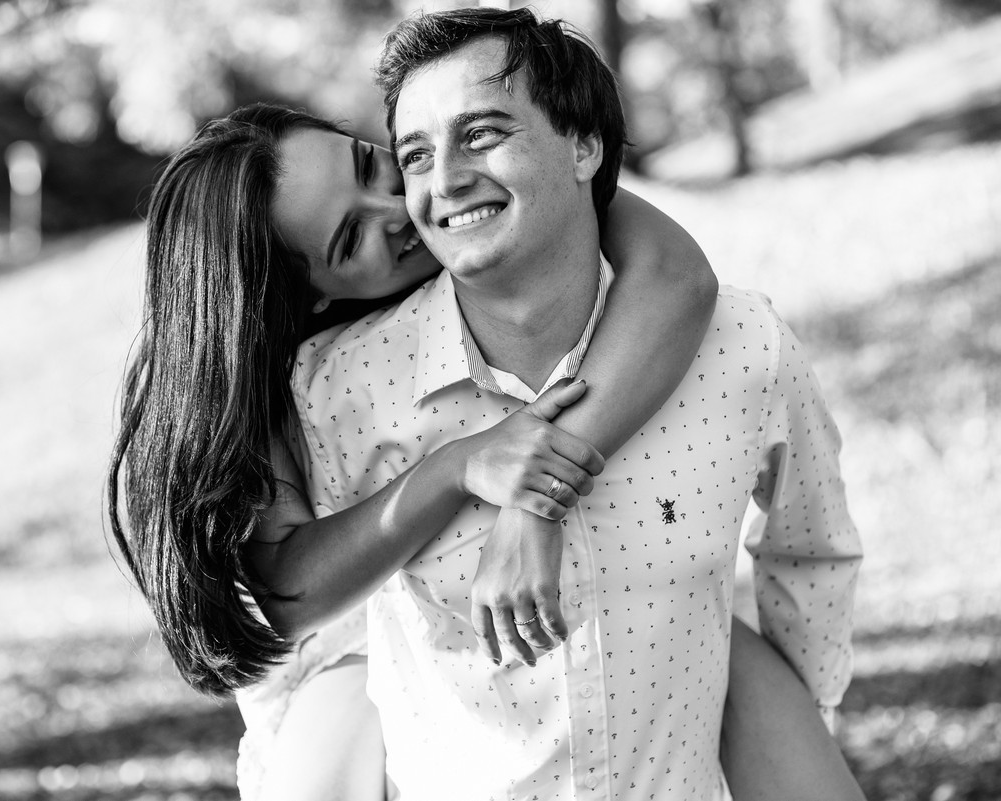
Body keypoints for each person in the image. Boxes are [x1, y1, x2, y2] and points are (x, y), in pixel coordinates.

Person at [272, 7, 863, 800]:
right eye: (416, 154)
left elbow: (811, 551)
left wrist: (791, 728)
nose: (441, 179)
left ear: (584, 145)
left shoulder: (740, 345)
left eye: (481, 134)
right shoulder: (342, 391)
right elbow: (306, 630)